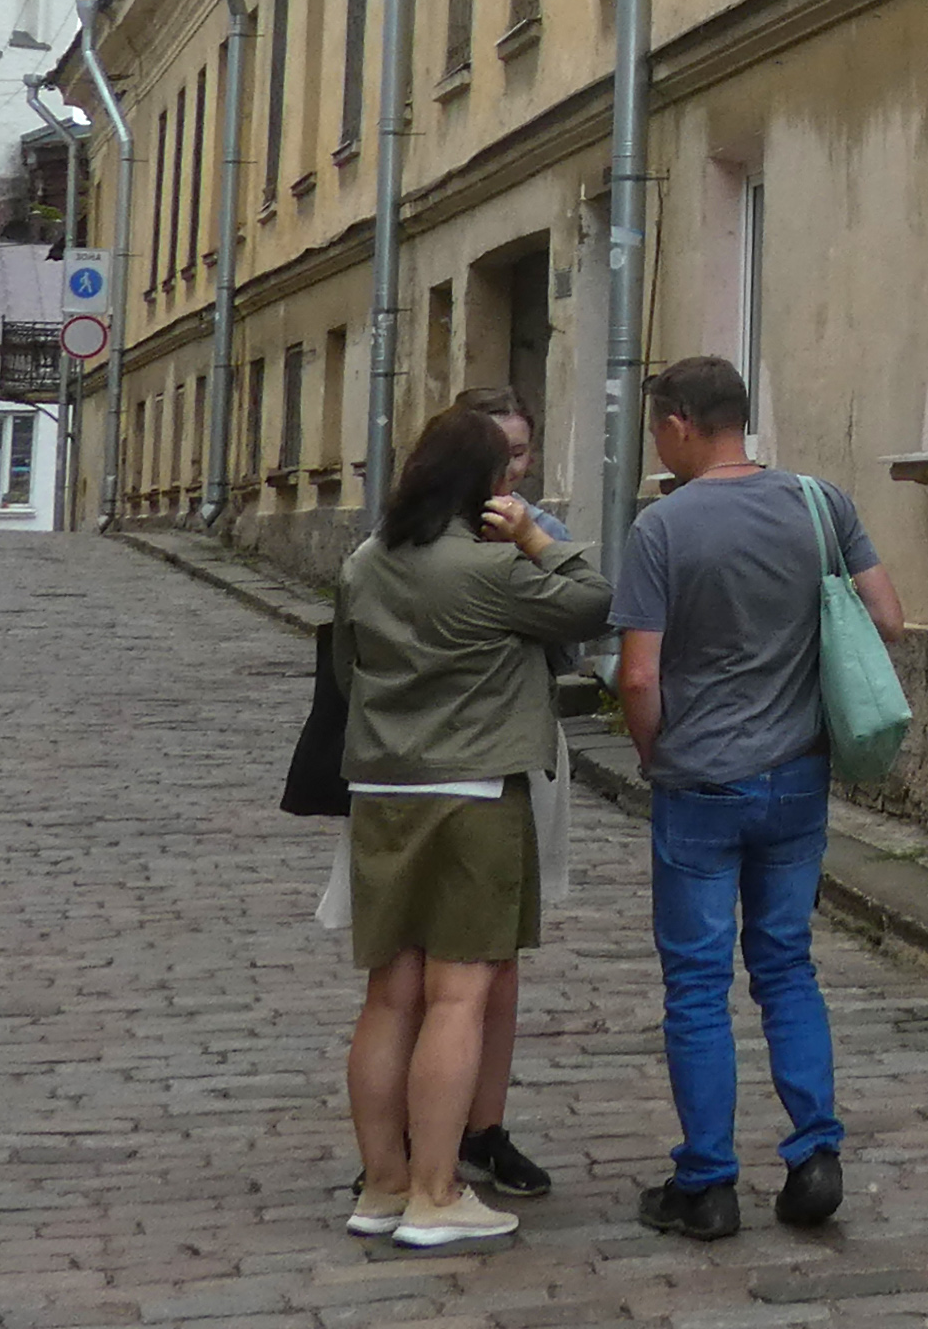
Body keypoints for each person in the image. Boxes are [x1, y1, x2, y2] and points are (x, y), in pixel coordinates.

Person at [611, 354, 899, 1240]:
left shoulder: (662, 530)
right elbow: (886, 619)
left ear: (680, 424)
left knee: (697, 984)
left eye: (658, 427)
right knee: (785, 965)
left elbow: (639, 675)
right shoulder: (821, 504)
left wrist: (657, 750)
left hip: (699, 780)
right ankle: (814, 1153)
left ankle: (707, 1183)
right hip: (797, 778)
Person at [335, 402, 609, 1251]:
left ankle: (381, 1183)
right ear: (486, 488)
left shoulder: (366, 564)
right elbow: (592, 601)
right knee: (460, 995)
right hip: (474, 794)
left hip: (382, 790)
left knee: (389, 995)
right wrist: (533, 535)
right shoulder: (493, 571)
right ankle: (437, 1190)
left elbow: (348, 668)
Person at [445, 385, 564, 1207]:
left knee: (502, 957)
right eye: (493, 455)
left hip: (519, 755)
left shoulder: (539, 533)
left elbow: (581, 625)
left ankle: (484, 1130)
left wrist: (534, 546)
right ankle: (415, 1137)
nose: (507, 472)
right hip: (424, 767)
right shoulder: (406, 535)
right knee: (416, 966)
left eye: (518, 455)